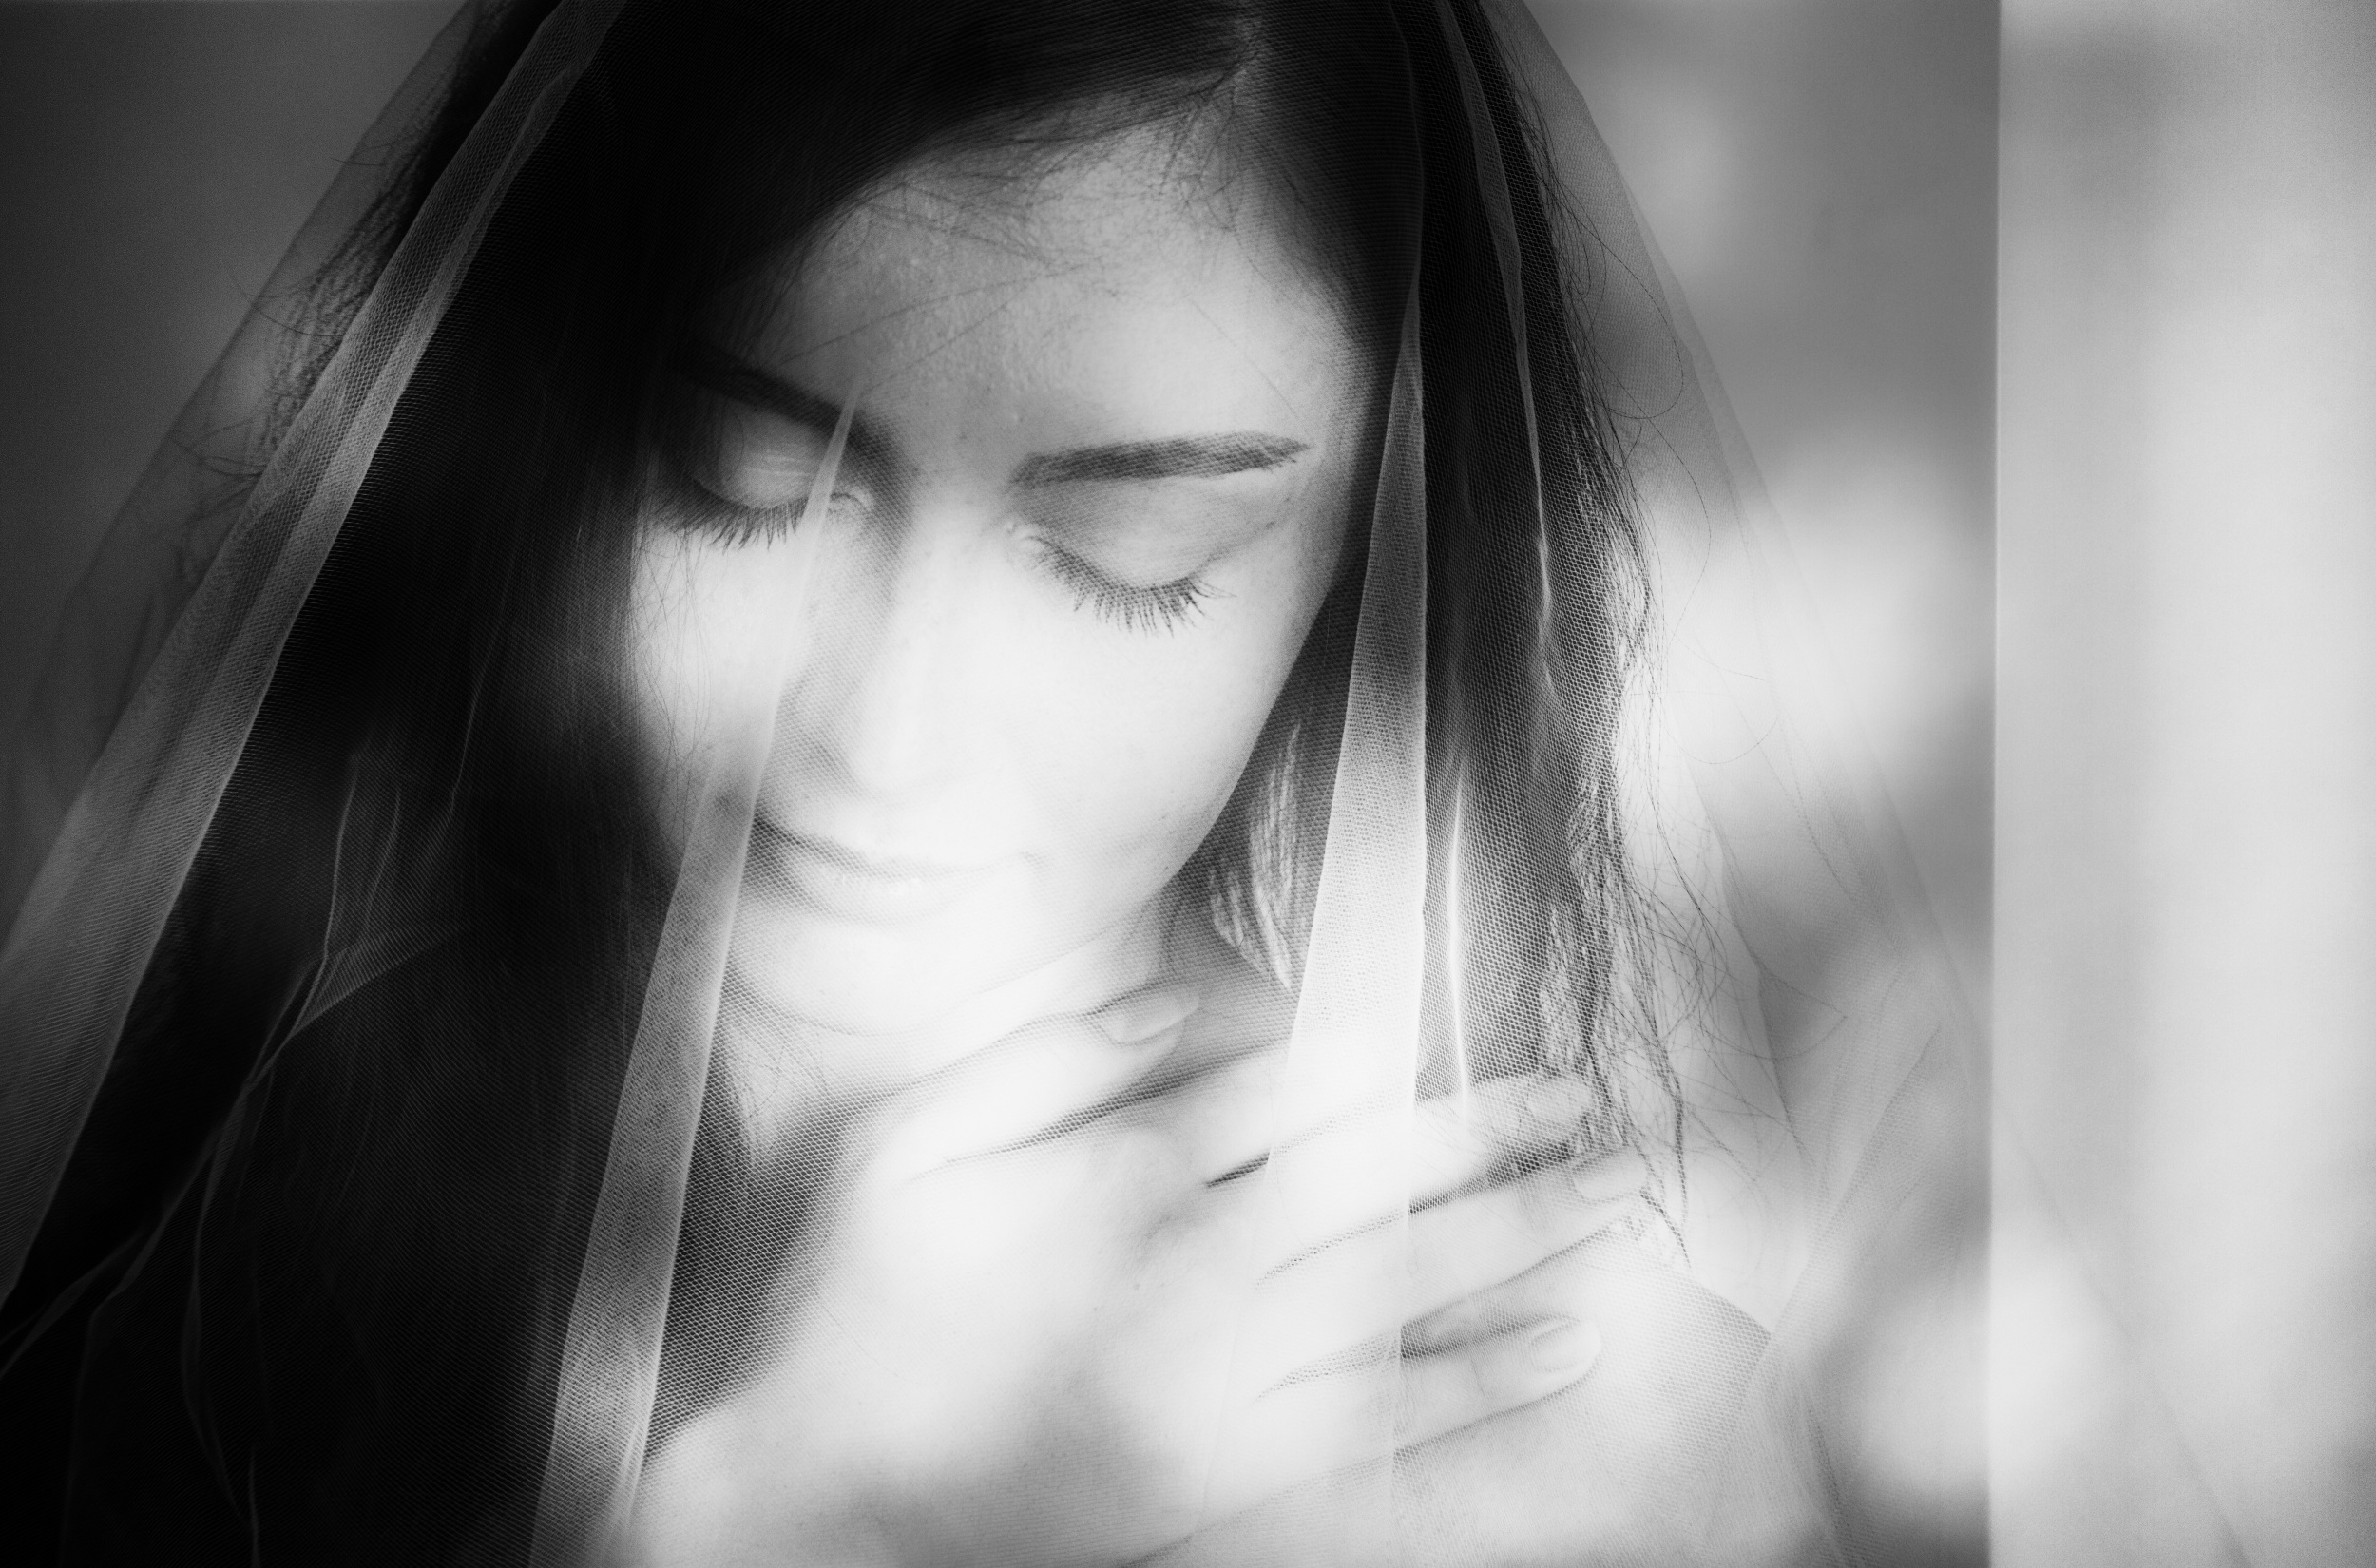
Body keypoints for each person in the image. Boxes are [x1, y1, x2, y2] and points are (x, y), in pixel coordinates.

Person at [0, 0, 1974, 1562]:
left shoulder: (1562, 1416)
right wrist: (787, 1516)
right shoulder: (293, 1184)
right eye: (738, 481)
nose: (882, 730)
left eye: (1126, 562)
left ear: (1366, 563)